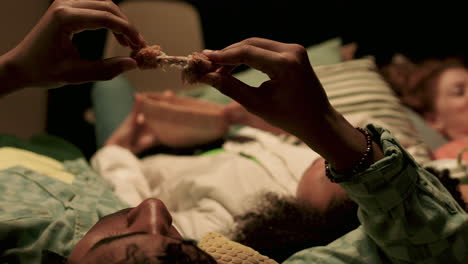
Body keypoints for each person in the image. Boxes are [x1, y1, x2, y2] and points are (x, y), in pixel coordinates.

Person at [1, 2, 467, 262]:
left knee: (114, 96)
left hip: (148, 158)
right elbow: (430, 240)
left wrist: (13, 74)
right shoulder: (295, 167)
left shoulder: (221, 227)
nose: (154, 211)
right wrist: (319, 127)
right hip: (234, 141)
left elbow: (127, 184)